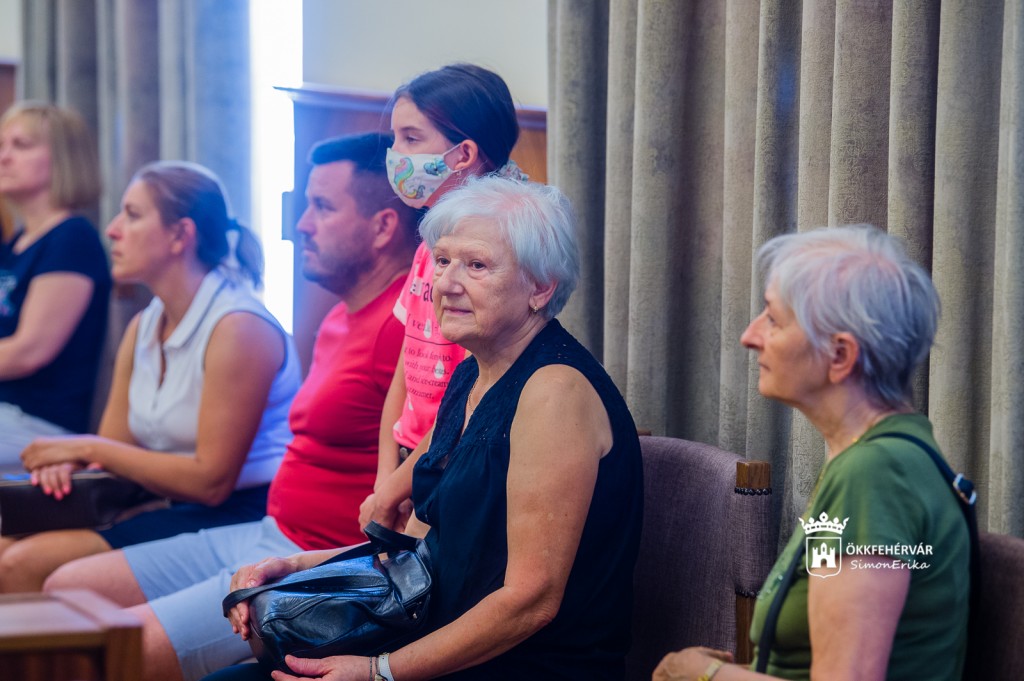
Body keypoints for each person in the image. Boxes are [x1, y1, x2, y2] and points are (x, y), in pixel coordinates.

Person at [216, 177, 644, 681]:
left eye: (476, 265)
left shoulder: (554, 392)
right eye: (442, 261)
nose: (446, 284)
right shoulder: (473, 373)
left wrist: (377, 671)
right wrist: (297, 567)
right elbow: (419, 548)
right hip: (435, 643)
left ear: (540, 287)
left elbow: (531, 602)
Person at [43, 132, 420, 681]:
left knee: (117, 647)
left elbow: (419, 469)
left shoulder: (402, 328)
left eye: (322, 207)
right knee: (64, 589)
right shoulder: (340, 316)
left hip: (314, 552)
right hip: (267, 529)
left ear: (383, 227)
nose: (301, 225)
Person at [653, 225, 969, 681]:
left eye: (774, 319)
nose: (749, 335)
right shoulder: (881, 458)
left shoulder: (874, 475)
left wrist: (703, 674)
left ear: (840, 356)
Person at [0, 161, 300, 592]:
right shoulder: (143, 325)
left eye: (132, 215)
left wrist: (86, 447)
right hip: (163, 501)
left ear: (180, 235)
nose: (112, 230)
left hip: (241, 512)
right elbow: (114, 449)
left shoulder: (239, 327)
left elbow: (211, 483)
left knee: (24, 564)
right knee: (6, 545)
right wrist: (71, 463)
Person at [363, 62, 526, 532]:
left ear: (463, 154)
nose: (396, 154)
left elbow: (478, 392)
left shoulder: (501, 249)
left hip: (454, 460)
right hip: (408, 464)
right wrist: (385, 476)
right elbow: (406, 367)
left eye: (411, 138)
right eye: (395, 138)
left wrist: (400, 486)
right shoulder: (431, 242)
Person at [0, 101, 110, 463]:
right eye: (1, 145)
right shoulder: (14, 244)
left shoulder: (72, 238)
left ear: (63, 159)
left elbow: (28, 352)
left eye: (21, 145)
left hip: (39, 424)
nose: (4, 157)